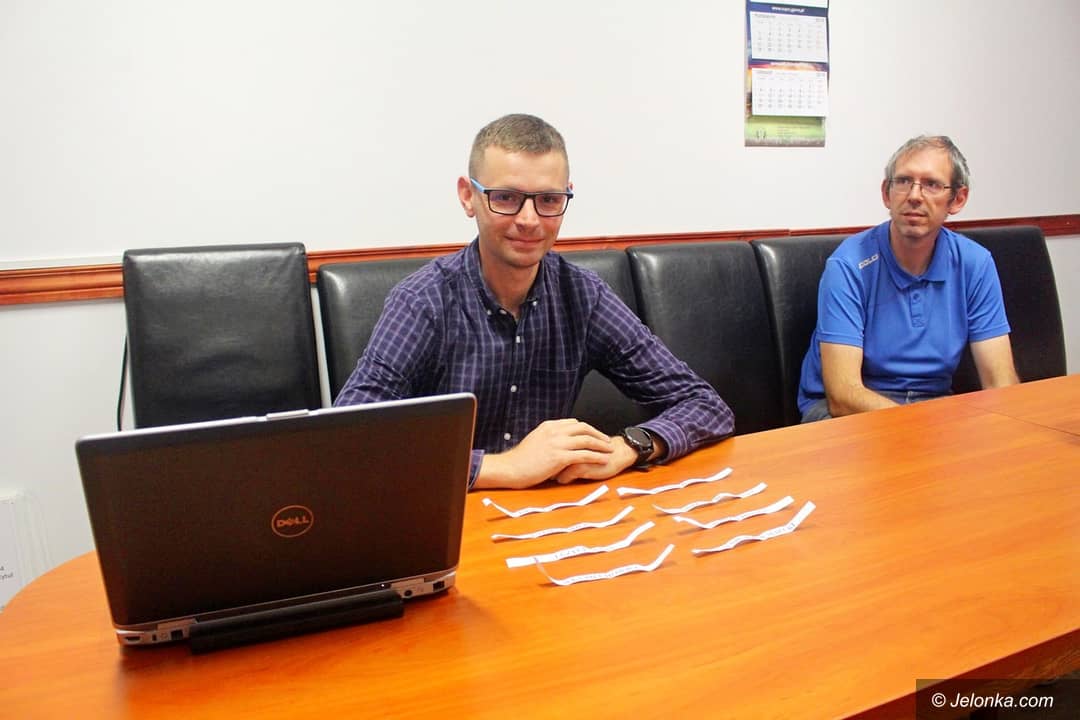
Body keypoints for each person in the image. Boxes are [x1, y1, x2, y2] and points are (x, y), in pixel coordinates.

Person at [335, 113, 733, 488]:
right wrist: (505, 467)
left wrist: (631, 446)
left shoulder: (583, 296)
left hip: (551, 513)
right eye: (506, 197)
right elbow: (347, 439)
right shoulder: (423, 301)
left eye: (549, 200)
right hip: (450, 515)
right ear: (468, 196)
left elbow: (705, 404)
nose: (529, 220)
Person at [798, 135, 1019, 422]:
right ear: (886, 194)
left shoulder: (975, 263)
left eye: (932, 184)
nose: (914, 195)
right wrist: (925, 429)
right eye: (903, 181)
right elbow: (843, 396)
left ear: (957, 199)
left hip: (934, 407)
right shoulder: (849, 264)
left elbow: (1000, 383)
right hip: (845, 413)